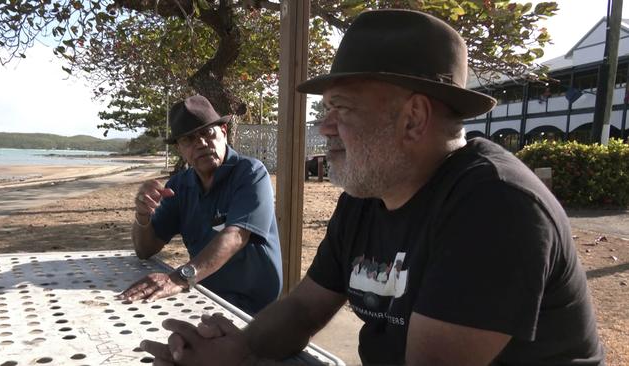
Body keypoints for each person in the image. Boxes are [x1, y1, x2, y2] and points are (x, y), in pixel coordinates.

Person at [140, 10, 604, 366]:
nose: (324, 127)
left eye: (340, 108)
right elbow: (303, 307)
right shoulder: (368, 196)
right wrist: (240, 349)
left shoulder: (496, 206)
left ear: (414, 117)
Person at [119, 94, 282, 315]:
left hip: (254, 308)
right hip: (203, 297)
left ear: (223, 131)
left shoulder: (250, 173)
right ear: (180, 149)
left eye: (207, 132)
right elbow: (144, 250)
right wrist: (142, 214)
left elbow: (235, 236)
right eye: (188, 139)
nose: (201, 144)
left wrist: (179, 278)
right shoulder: (179, 185)